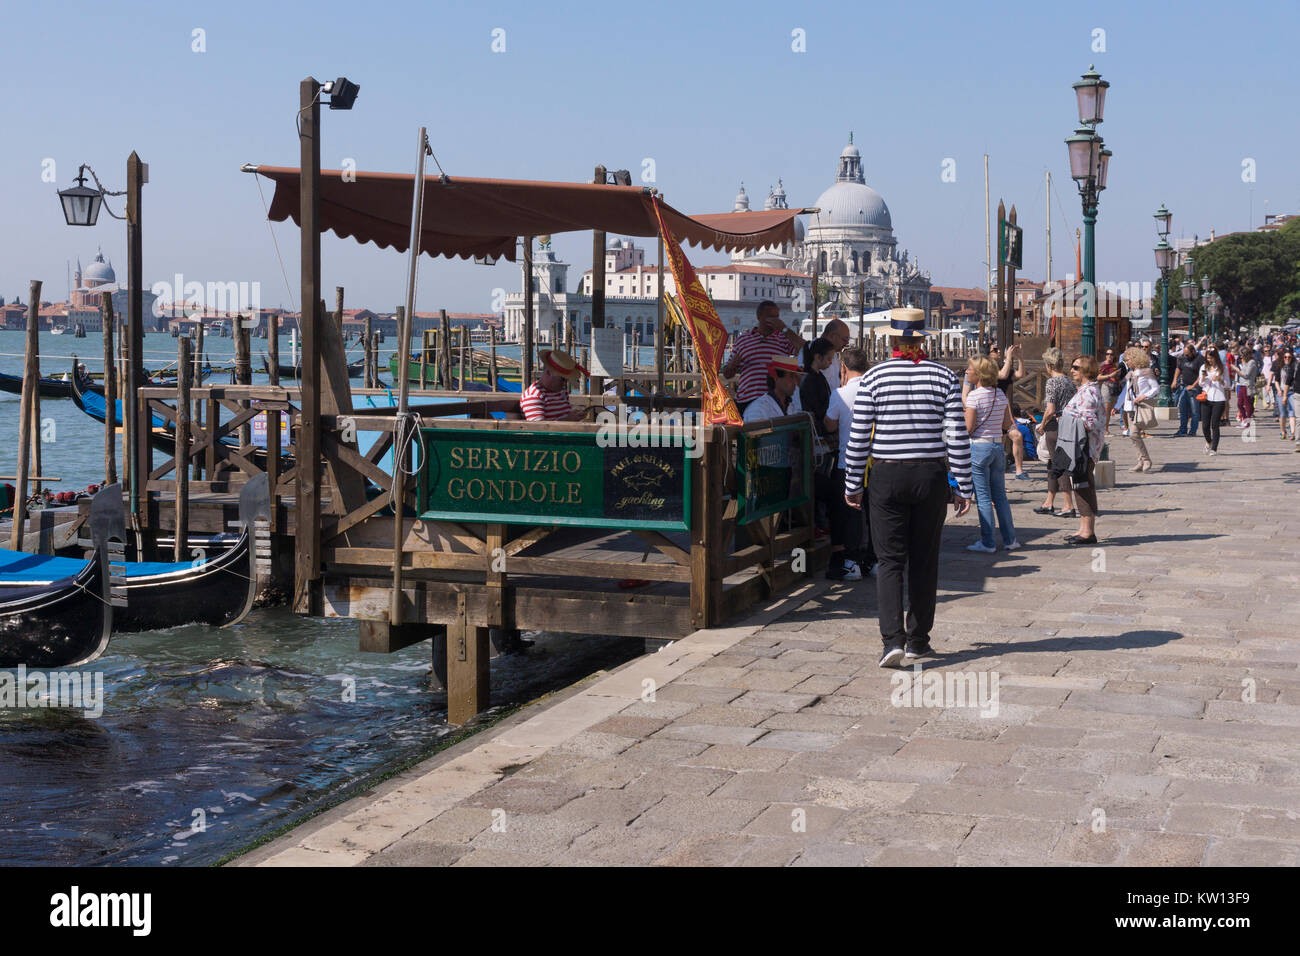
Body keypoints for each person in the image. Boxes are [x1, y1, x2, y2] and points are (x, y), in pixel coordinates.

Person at [842, 309, 973, 668]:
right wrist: (963, 484)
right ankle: (917, 640)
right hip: (929, 476)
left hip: (886, 476)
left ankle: (892, 642)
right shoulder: (944, 377)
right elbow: (956, 437)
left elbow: (858, 438)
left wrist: (853, 483)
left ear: (891, 339)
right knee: (924, 560)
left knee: (889, 561)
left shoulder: (874, 378)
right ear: (923, 339)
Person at [823, 347, 871, 580]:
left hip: (848, 461)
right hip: (874, 462)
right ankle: (874, 561)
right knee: (873, 513)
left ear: (843, 367)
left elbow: (830, 425)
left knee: (850, 513)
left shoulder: (840, 394)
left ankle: (851, 562)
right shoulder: (875, 389)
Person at [963, 356, 1019, 553]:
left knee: (984, 497)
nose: (967, 372)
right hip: (997, 447)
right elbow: (1005, 425)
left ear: (979, 374)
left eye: (969, 369)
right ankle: (1010, 539)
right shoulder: (1000, 395)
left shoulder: (974, 397)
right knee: (1001, 496)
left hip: (979, 447)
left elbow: (968, 429)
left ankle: (987, 542)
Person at [1054, 355, 1104, 545]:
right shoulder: (1085, 390)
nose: (1072, 370)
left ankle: (1088, 531)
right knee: (1080, 485)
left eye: (1076, 367)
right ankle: (1084, 528)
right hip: (1080, 445)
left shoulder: (1088, 393)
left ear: (1085, 370)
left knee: (1083, 485)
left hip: (1084, 447)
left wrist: (1064, 420)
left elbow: (1087, 423)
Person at [722, 300, 804, 414]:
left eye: (777, 317)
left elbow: (804, 349)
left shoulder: (783, 339)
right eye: (771, 317)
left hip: (774, 401)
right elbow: (727, 374)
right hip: (747, 399)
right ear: (759, 317)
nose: (775, 321)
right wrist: (734, 362)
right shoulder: (743, 340)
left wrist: (785, 329)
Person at [1034, 347, 1077, 517]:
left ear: (1049, 365)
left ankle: (1068, 505)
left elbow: (1050, 409)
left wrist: (1042, 424)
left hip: (1054, 426)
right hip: (1067, 425)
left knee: (1059, 465)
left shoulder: (1052, 382)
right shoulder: (1069, 381)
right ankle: (1049, 502)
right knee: (1052, 465)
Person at [986, 343, 1030, 480]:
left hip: (1002, 410)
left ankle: (1019, 471)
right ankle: (998, 476)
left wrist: (1020, 358)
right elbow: (1003, 375)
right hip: (990, 412)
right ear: (988, 354)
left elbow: (1020, 374)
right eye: (994, 350)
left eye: (999, 349)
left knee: (1016, 436)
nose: (998, 351)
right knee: (999, 444)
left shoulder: (1002, 367)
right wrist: (1009, 358)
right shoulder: (986, 367)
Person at [519, 349, 587, 421]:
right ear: (548, 373)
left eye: (567, 380)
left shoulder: (561, 392)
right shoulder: (534, 395)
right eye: (563, 379)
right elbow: (538, 429)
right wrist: (568, 419)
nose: (565, 384)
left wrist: (575, 414)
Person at [1121, 346, 1158, 472]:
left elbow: (1155, 388)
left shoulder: (1146, 372)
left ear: (1135, 359)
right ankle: (1140, 461)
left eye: (1128, 359)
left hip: (1140, 406)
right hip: (1130, 407)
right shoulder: (1130, 374)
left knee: (1134, 433)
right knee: (1132, 436)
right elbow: (1126, 391)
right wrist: (1117, 406)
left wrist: (1144, 396)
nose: (1126, 362)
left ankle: (1146, 459)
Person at [1197, 348, 1228, 454]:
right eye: (1208, 358)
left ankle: (1214, 448)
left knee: (1214, 424)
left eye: (1211, 358)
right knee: (1205, 425)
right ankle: (1209, 441)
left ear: (1216, 357)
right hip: (1206, 397)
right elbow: (1201, 384)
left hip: (1219, 398)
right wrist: (1203, 378)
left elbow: (1228, 384)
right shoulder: (1203, 367)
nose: (1209, 360)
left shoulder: (1222, 368)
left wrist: (1220, 380)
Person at [1174, 343, 1204, 437]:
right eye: (1185, 354)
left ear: (1193, 351)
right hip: (1184, 387)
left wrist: (1193, 385)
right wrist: (1174, 380)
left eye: (1187, 354)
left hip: (1195, 388)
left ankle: (1192, 431)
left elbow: (1202, 374)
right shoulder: (1183, 358)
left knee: (1194, 411)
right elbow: (1179, 368)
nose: (1186, 356)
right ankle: (1182, 430)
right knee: (1183, 410)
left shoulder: (1200, 359)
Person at [1098, 348, 1120, 434]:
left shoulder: (1115, 365)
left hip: (1114, 388)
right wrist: (1110, 375)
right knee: (1106, 409)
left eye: (1111, 354)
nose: (1109, 356)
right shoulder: (1103, 365)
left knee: (1110, 409)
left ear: (1113, 356)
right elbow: (1098, 377)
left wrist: (1117, 375)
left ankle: (1105, 427)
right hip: (1106, 386)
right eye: (1107, 354)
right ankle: (1105, 429)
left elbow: (1117, 377)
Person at [1277, 348, 1297, 440]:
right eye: (1285, 357)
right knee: (1283, 413)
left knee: (1292, 412)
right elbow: (1276, 380)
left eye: (1289, 357)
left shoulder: (1295, 367)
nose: (1287, 358)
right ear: (1283, 357)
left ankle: (1292, 433)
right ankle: (1282, 431)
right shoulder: (1280, 367)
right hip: (1281, 392)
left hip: (1292, 392)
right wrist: (1279, 390)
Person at [1235, 349, 1258, 429]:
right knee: (1239, 404)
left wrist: (1236, 369)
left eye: (1242, 355)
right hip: (1241, 384)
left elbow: (1246, 374)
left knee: (1247, 404)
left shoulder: (1251, 362)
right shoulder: (1244, 362)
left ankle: (1247, 422)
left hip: (1247, 385)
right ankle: (1244, 420)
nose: (1241, 357)